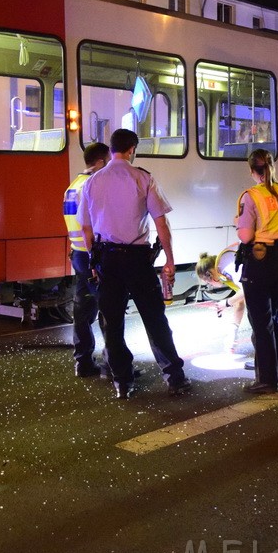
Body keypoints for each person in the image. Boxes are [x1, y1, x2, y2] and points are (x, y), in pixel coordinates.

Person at [77, 128, 191, 400]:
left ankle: (122, 382)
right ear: (131, 150)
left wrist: (94, 259)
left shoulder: (92, 182)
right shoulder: (143, 178)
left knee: (112, 323)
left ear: (112, 149)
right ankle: (174, 377)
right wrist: (170, 260)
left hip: (107, 260)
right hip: (137, 260)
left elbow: (85, 227)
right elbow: (161, 221)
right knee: (154, 318)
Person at [235, 149, 278, 394]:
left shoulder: (251, 196)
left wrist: (239, 224)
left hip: (260, 262)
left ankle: (266, 380)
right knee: (275, 319)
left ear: (253, 170)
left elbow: (245, 235)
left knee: (261, 323)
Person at [63, 142, 109, 377]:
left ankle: (83, 362)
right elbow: (90, 226)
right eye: (108, 161)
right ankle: (113, 364)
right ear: (100, 162)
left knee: (82, 310)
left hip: (77, 254)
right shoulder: (91, 184)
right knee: (108, 308)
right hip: (91, 255)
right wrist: (95, 259)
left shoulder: (73, 186)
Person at [196, 245, 247, 353]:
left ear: (209, 274)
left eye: (208, 282)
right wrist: (233, 332)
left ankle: (269, 363)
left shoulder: (225, 266)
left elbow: (246, 290)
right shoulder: (222, 268)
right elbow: (240, 301)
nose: (211, 285)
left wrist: (226, 303)